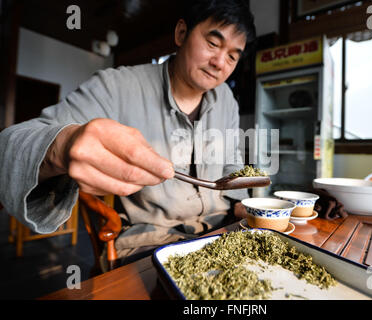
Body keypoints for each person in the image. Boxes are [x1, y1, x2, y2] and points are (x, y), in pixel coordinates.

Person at [0, 0, 256, 267]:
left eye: (232, 56)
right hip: (150, 240)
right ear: (181, 33)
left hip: (223, 229)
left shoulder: (226, 98)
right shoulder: (116, 87)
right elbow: (8, 146)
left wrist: (243, 205)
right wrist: (60, 148)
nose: (219, 63)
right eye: (213, 44)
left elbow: (233, 161)